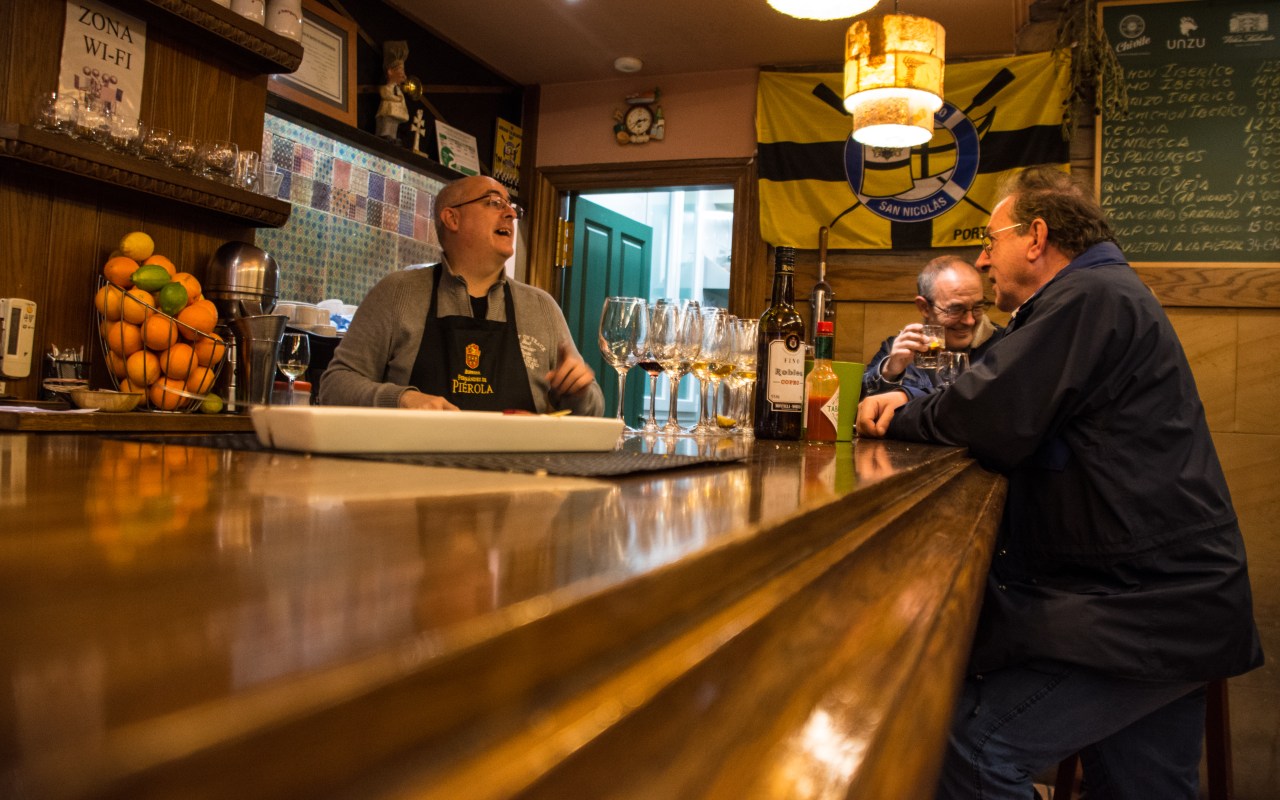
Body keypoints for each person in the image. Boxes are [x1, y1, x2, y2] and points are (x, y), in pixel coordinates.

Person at [857, 166, 1262, 799]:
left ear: (1036, 237)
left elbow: (990, 414)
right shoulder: (1098, 293)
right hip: (1177, 602)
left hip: (1144, 607)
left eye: (991, 242)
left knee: (971, 750)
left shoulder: (1090, 296)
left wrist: (900, 411)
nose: (984, 259)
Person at [320, 175, 604, 415]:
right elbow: (334, 385)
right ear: (452, 218)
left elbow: (594, 407)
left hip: (520, 464)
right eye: (494, 202)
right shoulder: (397, 293)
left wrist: (578, 392)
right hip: (415, 463)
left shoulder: (541, 307)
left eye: (511, 205)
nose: (511, 213)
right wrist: (401, 399)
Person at [861, 255, 1004, 400]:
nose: (970, 321)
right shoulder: (897, 350)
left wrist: (909, 397)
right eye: (955, 309)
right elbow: (858, 404)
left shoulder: (1002, 345)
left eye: (977, 307)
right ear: (924, 307)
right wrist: (888, 372)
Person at [376, 41, 410, 141]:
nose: (404, 75)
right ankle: (384, 135)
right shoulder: (387, 87)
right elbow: (385, 93)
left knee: (394, 126)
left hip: (396, 112)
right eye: (401, 70)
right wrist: (397, 98)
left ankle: (392, 137)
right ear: (390, 72)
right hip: (387, 110)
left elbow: (401, 99)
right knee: (387, 124)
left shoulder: (398, 90)